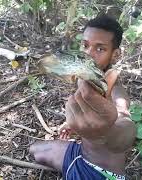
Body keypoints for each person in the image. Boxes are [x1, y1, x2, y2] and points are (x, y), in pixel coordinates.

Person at [29, 14, 136, 180]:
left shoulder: (114, 86)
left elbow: (125, 126)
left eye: (100, 49)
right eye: (85, 45)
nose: (88, 54)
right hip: (79, 154)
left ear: (115, 55)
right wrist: (75, 126)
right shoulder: (85, 77)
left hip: (99, 173)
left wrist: (105, 133)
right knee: (34, 150)